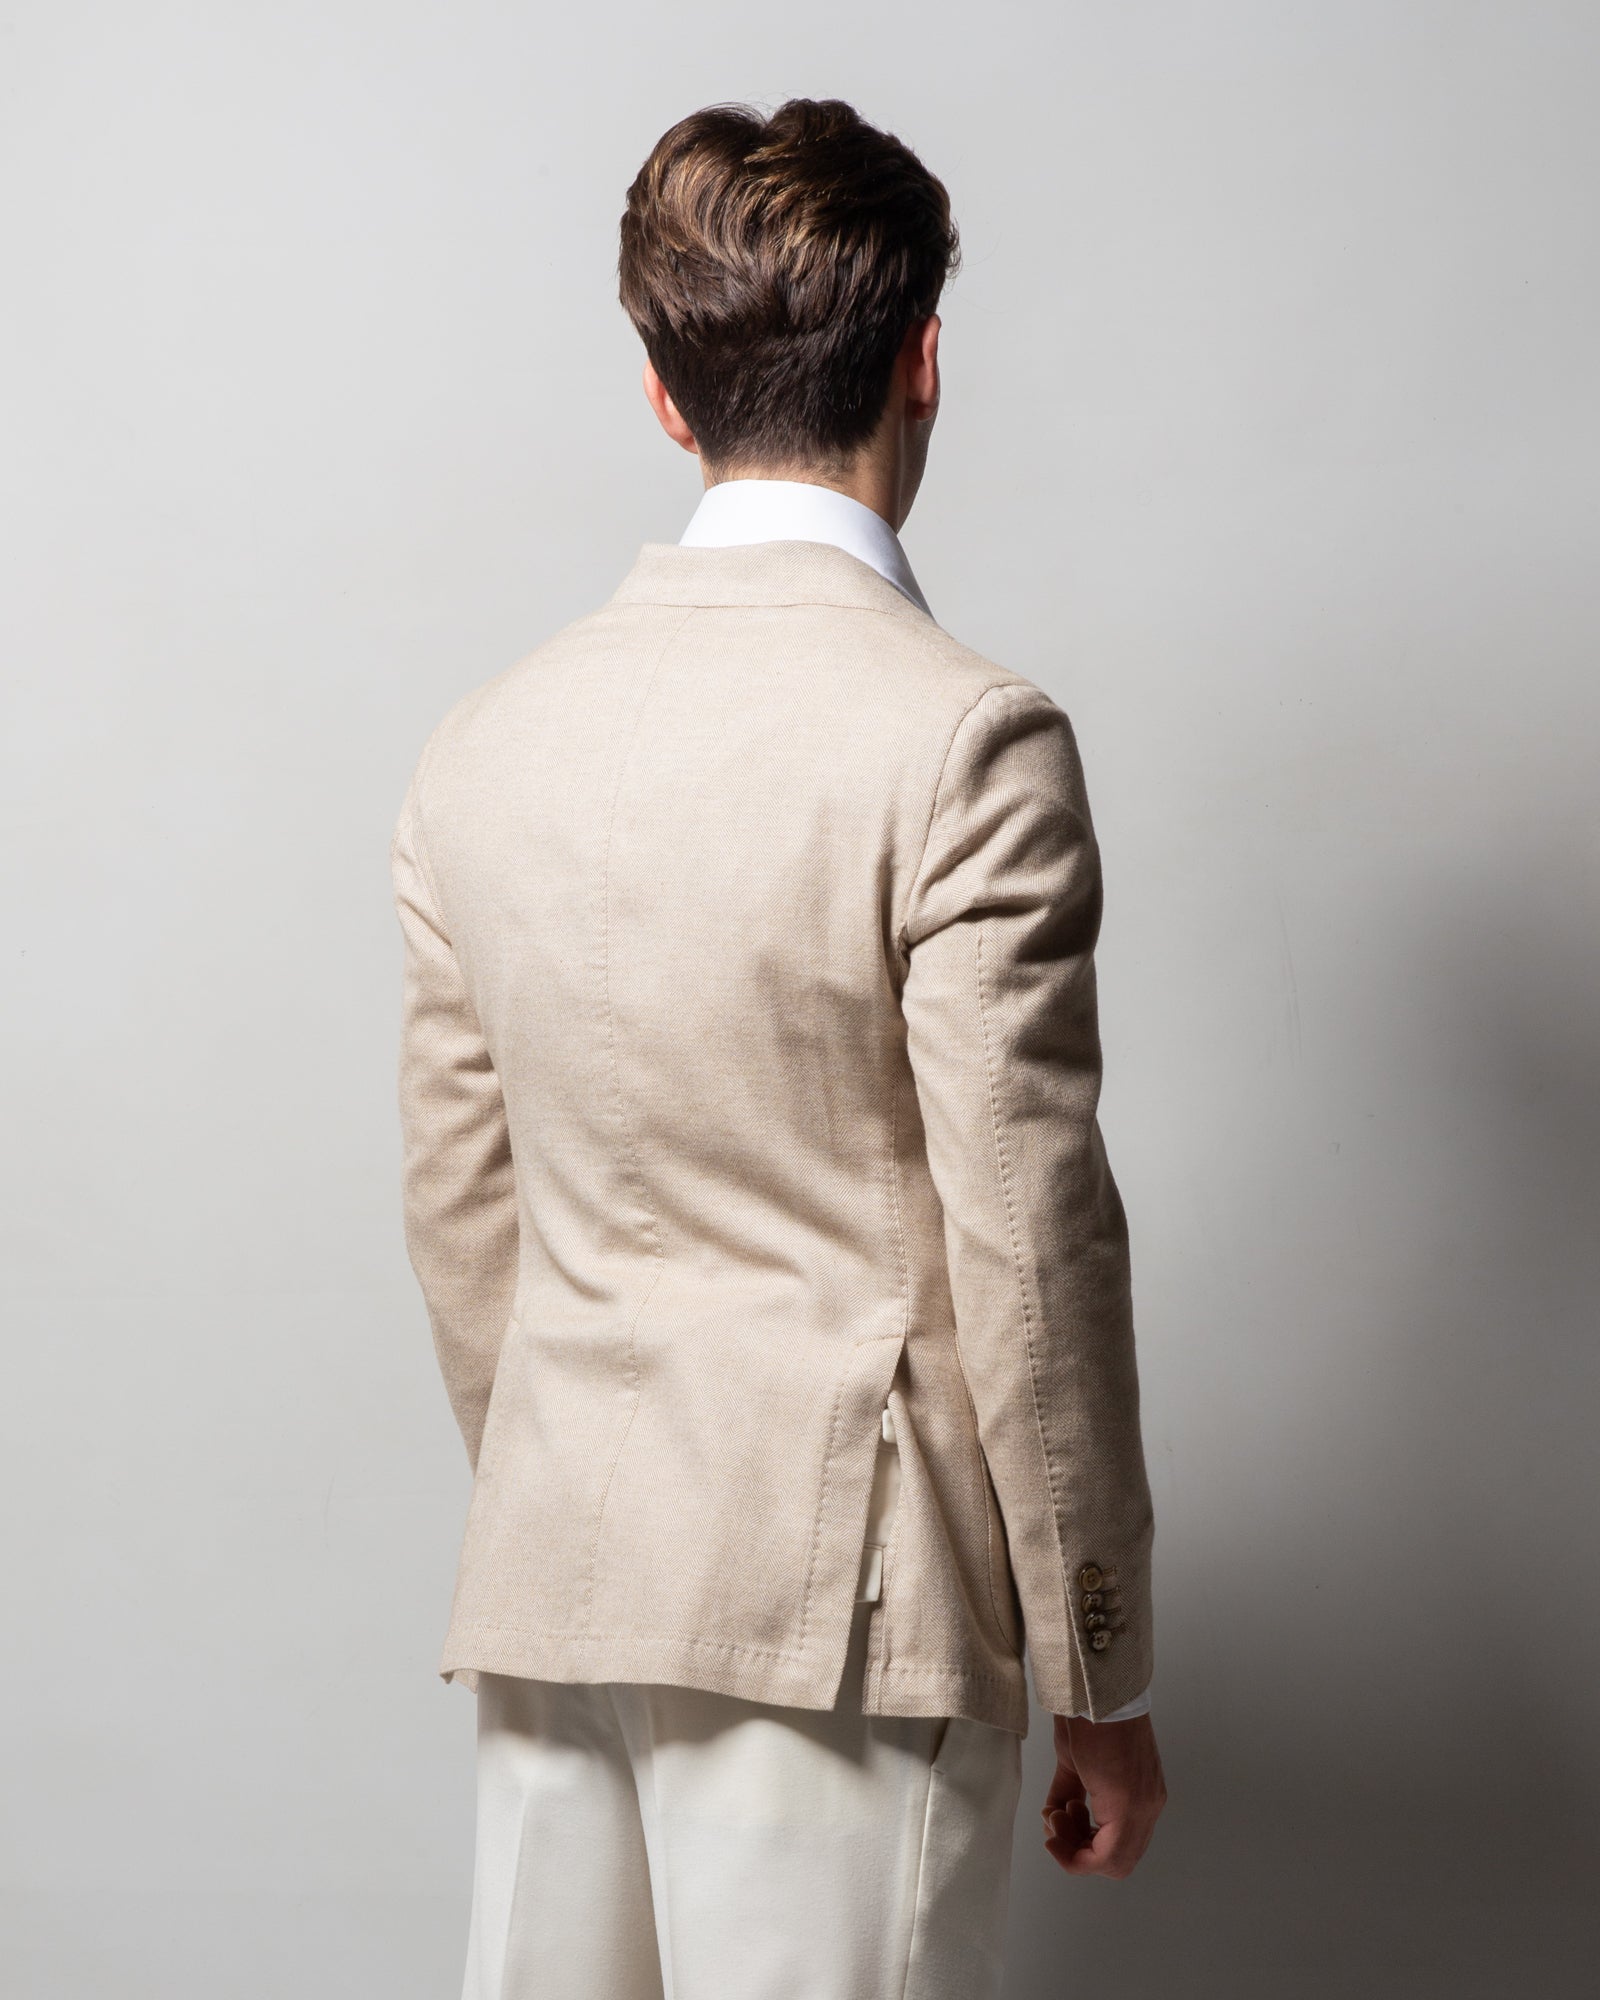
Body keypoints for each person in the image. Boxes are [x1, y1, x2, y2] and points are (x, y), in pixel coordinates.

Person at [391, 94, 1167, 2000]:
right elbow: (1031, 1240)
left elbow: (463, 1213)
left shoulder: (481, 747)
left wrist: (580, 1500)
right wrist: (1098, 1668)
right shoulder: (965, 742)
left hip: (563, 1577)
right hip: (853, 1612)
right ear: (923, 362)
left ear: (668, 400)